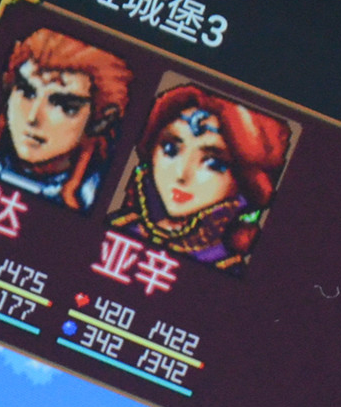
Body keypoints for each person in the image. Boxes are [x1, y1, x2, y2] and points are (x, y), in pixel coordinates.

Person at [109, 84, 292, 271]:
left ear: (245, 178)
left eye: (213, 163)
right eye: (170, 149)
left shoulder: (226, 268)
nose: (181, 174)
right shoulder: (118, 225)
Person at [0, 28, 133, 210]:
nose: (32, 117)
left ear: (101, 121)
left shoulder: (96, 196)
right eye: (26, 92)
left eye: (64, 106)